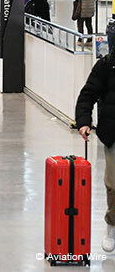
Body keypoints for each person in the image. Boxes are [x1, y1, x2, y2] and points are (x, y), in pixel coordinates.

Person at [75, 51, 115, 252]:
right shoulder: (107, 64)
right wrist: (83, 121)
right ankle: (112, 224)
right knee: (114, 184)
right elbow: (88, 93)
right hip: (113, 133)